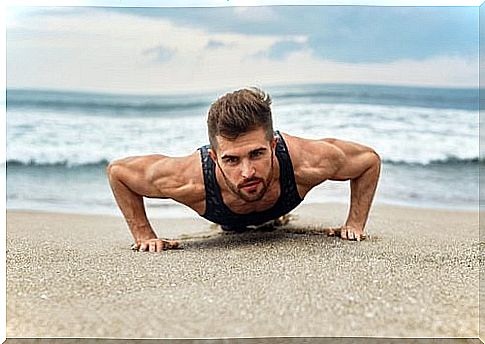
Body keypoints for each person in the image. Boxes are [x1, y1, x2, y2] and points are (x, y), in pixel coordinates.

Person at [107, 87, 381, 253]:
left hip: (280, 205)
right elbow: (119, 172)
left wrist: (354, 224)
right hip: (225, 217)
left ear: (273, 145)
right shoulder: (188, 180)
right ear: (214, 157)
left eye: (257, 154)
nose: (247, 171)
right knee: (230, 226)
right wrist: (144, 235)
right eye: (232, 160)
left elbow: (368, 161)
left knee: (276, 220)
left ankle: (278, 220)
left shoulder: (306, 162)